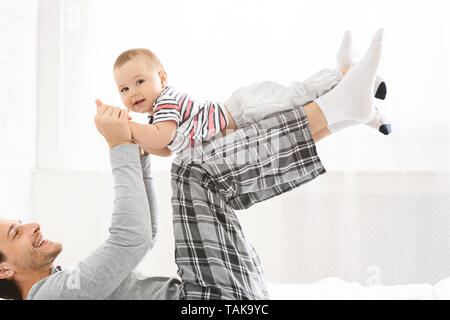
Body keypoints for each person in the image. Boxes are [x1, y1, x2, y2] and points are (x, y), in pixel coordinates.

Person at [0, 29, 387, 300]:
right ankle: (339, 107)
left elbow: (144, 236)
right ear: (3, 271)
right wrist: (120, 144)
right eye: (16, 232)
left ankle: (341, 112)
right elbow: (129, 241)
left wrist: (136, 156)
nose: (32, 225)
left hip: (213, 294)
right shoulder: (50, 298)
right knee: (193, 169)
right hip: (210, 298)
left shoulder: (61, 285)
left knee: (193, 168)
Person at [101, 29, 390, 158]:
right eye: (124, 89)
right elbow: (164, 149)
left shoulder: (165, 102)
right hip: (241, 121)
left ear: (161, 78)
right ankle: (361, 111)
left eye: (139, 81)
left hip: (244, 108)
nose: (132, 92)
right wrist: (135, 140)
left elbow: (162, 138)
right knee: (303, 120)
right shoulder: (156, 119)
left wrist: (126, 129)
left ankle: (346, 72)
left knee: (298, 96)